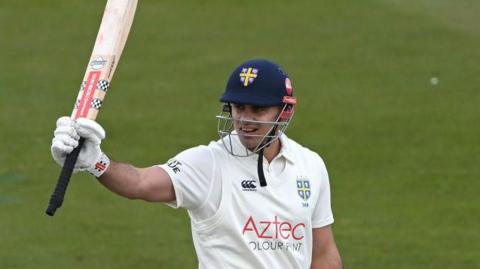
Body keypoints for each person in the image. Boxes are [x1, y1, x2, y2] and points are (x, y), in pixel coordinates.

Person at [51, 59, 343, 269]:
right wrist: (97, 162)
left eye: (258, 109)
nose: (245, 119)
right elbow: (140, 183)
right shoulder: (208, 163)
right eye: (239, 107)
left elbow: (323, 252)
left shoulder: (310, 166)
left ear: (285, 112)